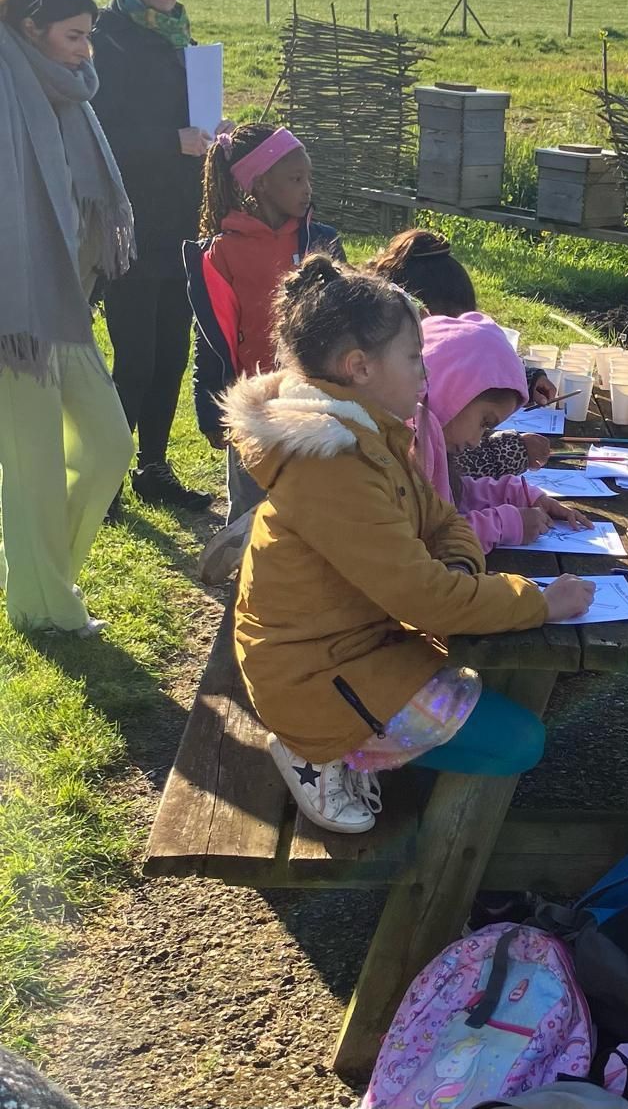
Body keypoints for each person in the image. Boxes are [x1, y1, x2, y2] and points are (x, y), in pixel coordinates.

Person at [224, 258, 593, 834]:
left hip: (351, 650)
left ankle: (360, 749)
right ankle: (317, 751)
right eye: (414, 357)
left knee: (489, 692)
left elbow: (443, 522)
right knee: (520, 741)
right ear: (360, 367)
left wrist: (452, 570)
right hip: (314, 680)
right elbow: (426, 596)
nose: (425, 374)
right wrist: (539, 602)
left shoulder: (370, 434)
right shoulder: (334, 462)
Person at [0, 0, 135, 635]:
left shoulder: (67, 94)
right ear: (31, 29)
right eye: (75, 36)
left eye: (89, 36)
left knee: (109, 446)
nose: (86, 51)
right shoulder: (4, 86)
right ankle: (41, 604)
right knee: (33, 469)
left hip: (61, 306)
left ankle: (36, 576)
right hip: (13, 312)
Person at [91, 0, 224, 513]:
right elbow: (100, 132)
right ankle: (109, 475)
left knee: (172, 346)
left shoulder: (179, 35)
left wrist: (211, 133)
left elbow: (190, 116)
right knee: (135, 353)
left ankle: (153, 466)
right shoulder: (104, 36)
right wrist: (171, 140)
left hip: (180, 213)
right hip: (127, 217)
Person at [185, 123, 344, 529]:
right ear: (259, 184)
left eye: (309, 177)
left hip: (314, 401)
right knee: (250, 513)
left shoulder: (319, 243)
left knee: (317, 505)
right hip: (252, 408)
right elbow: (211, 339)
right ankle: (245, 584)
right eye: (295, 178)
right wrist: (209, 410)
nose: (307, 188)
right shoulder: (220, 254)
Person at [369, 228, 556, 478]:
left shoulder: (399, 375)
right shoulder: (399, 424)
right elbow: (453, 469)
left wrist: (521, 380)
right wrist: (511, 451)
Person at [416, 313, 592, 554]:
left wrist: (520, 494)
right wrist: (502, 525)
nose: (477, 441)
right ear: (452, 392)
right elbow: (428, 541)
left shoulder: (431, 442)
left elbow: (454, 494)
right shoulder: (407, 447)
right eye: (484, 422)